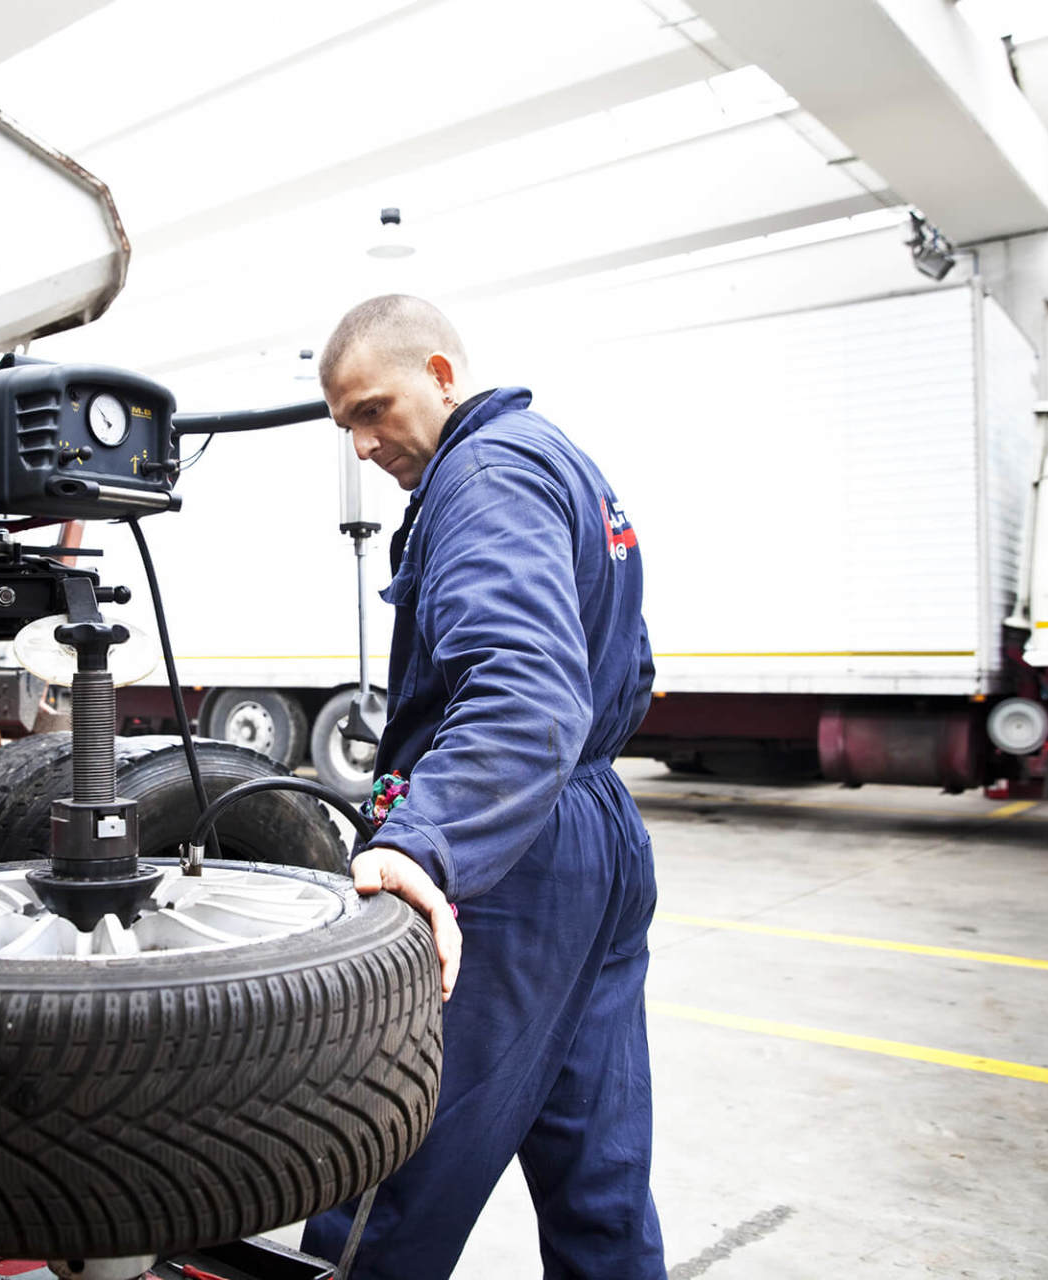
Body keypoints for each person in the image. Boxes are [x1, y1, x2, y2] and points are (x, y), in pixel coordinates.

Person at [301, 295, 665, 1279]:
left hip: (512, 864)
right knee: (599, 1171)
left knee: (382, 1166)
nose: (365, 444)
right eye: (347, 426)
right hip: (589, 829)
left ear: (442, 373)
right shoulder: (550, 454)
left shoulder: (487, 475)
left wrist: (420, 846)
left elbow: (526, 690)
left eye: (374, 409)